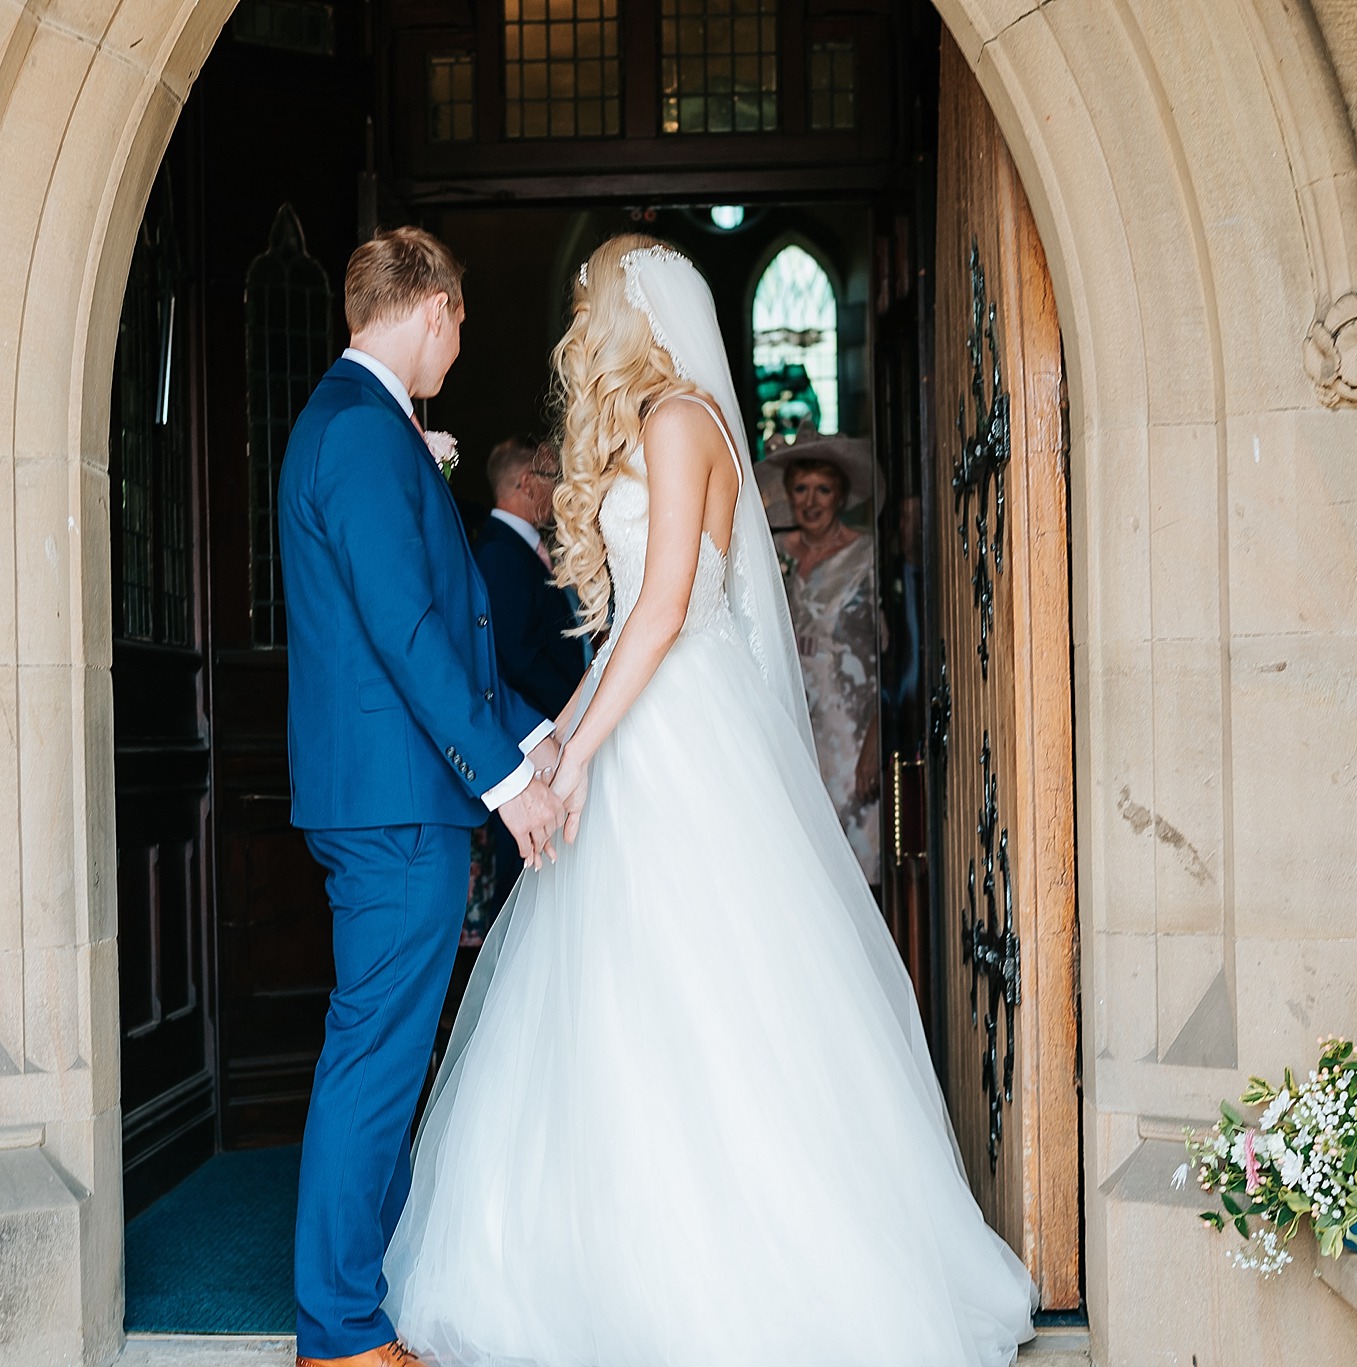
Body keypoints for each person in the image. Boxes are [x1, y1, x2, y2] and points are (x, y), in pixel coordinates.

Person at [381, 235, 1036, 1365]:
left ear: (633, 310)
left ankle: (740, 1272)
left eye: (588, 301)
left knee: (705, 987)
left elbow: (669, 606)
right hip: (645, 717)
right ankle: (601, 1259)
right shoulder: (655, 423)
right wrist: (558, 741)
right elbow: (629, 618)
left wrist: (586, 752)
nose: (577, 322)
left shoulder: (681, 421)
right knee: (614, 994)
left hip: (682, 735)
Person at [276, 226, 567, 1367]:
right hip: (393, 801)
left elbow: (442, 627)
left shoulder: (368, 427)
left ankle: (369, 1295)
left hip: (396, 791)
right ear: (434, 306)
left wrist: (530, 731)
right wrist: (504, 782)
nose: (458, 341)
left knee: (386, 1051)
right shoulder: (357, 431)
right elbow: (402, 630)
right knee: (376, 1056)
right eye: (458, 323)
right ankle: (339, 1331)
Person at [761, 424, 884, 884]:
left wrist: (875, 739)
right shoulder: (773, 556)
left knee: (853, 871)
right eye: (801, 489)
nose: (811, 502)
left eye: (823, 490)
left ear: (841, 495)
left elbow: (890, 655)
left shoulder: (866, 557)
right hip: (789, 730)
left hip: (850, 738)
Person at [471, 436, 585, 926]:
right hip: (529, 733)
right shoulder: (499, 553)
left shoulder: (526, 549)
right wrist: (575, 711)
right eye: (551, 480)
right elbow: (517, 657)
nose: (558, 491)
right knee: (525, 878)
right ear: (524, 482)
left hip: (547, 726)